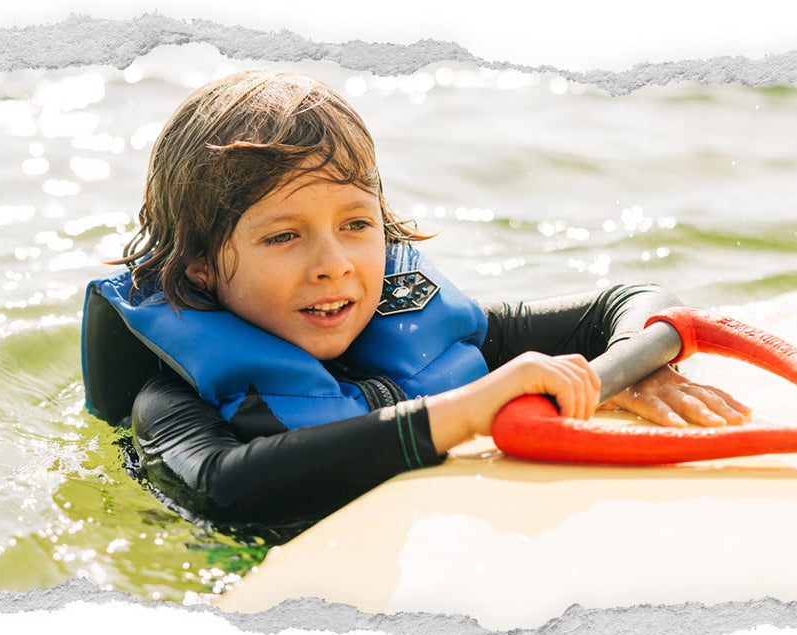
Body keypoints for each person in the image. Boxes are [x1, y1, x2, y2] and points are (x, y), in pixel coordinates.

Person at [82, 69, 749, 536]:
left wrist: (618, 371)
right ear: (200, 265)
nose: (335, 264)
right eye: (283, 236)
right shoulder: (174, 404)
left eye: (356, 224)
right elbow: (224, 488)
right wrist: (467, 411)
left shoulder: (425, 335)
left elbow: (629, 302)